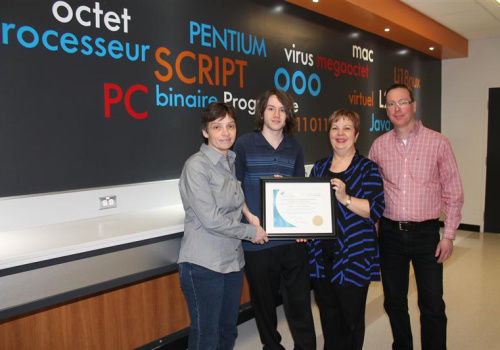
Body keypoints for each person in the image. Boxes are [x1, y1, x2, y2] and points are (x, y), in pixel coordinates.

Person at [368, 83, 464, 350]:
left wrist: (449, 236)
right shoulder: (379, 146)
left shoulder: (438, 142)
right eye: (390, 104)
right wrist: (376, 228)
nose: (397, 109)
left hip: (426, 236)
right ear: (386, 110)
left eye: (402, 102)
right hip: (390, 234)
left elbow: (454, 192)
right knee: (394, 301)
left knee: (432, 303)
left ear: (413, 105)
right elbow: (374, 192)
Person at [177, 102, 268, 350]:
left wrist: (249, 215)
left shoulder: (229, 160)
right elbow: (212, 219)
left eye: (230, 126)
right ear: (205, 132)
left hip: (232, 261)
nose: (225, 132)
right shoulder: (196, 166)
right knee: (206, 336)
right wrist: (252, 232)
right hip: (204, 265)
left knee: (228, 330)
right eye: (217, 127)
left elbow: (234, 199)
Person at [234, 89, 316, 350]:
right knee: (264, 304)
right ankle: (272, 346)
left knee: (300, 303)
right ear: (261, 112)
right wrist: (251, 221)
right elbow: (235, 189)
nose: (277, 114)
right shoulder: (244, 144)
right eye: (271, 108)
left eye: (282, 109)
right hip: (259, 239)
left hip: (292, 240)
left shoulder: (295, 147)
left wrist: (303, 226)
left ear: (288, 114)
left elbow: (300, 191)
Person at [307, 109, 385, 350]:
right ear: (328, 133)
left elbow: (375, 209)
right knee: (329, 318)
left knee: (350, 321)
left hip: (353, 258)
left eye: (347, 128)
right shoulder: (319, 168)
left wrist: (346, 198)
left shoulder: (367, 169)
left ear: (357, 134)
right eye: (335, 128)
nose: (340, 134)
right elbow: (310, 208)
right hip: (321, 258)